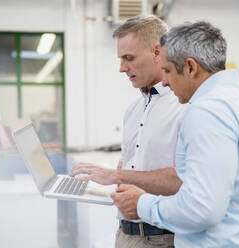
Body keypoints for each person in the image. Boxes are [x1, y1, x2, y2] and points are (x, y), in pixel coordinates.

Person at [111, 21, 239, 247]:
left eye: (168, 71)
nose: (164, 82)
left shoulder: (206, 112)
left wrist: (141, 204)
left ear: (191, 67)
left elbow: (202, 208)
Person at [70, 15, 186, 247]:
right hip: (126, 233)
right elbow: (130, 166)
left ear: (157, 52)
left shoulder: (184, 106)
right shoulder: (134, 109)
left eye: (129, 58)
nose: (122, 68)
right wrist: (106, 185)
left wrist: (116, 175)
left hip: (162, 237)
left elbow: (187, 180)